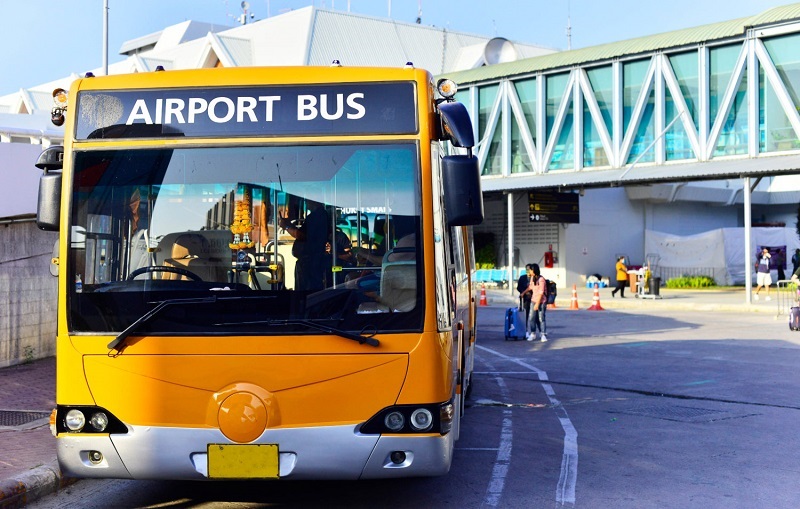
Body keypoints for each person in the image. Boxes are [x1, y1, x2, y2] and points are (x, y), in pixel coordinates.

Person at [279, 199, 329, 291]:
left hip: (310, 260)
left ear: (314, 201)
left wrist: (286, 226)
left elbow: (301, 235)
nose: (306, 203)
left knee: (306, 290)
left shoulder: (316, 216)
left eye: (307, 201)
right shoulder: (319, 215)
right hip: (311, 259)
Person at [522, 263, 547, 342]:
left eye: (530, 270)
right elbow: (530, 287)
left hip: (541, 301)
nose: (529, 271)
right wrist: (523, 292)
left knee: (541, 318)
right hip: (533, 300)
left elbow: (541, 292)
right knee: (531, 318)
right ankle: (533, 333)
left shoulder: (541, 279)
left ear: (534, 270)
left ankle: (543, 334)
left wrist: (537, 303)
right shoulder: (532, 278)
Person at [517, 264, 533, 328]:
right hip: (524, 298)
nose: (528, 271)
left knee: (534, 316)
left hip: (533, 298)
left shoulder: (534, 278)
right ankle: (525, 329)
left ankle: (538, 330)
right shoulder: (522, 278)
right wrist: (524, 292)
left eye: (529, 269)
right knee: (524, 315)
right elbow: (518, 287)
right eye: (527, 269)